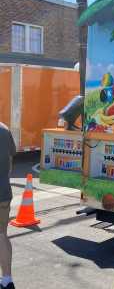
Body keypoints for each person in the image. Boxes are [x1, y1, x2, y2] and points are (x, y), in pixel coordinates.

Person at [0, 122, 15, 289]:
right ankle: (7, 279)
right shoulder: (4, 129)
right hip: (4, 193)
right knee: (2, 235)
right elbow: (10, 165)